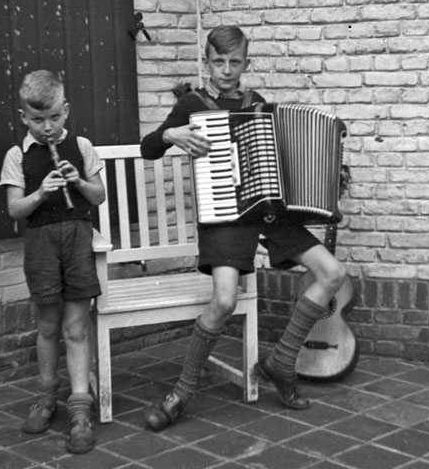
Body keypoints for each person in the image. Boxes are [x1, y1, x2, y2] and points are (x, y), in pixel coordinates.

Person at [139, 25, 349, 431]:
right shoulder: (191, 105)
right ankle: (181, 391)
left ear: (246, 64)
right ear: (207, 62)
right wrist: (170, 134)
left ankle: (281, 360)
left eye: (235, 62)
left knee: (333, 273)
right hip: (226, 215)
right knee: (223, 300)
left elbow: (279, 160)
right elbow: (149, 148)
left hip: (268, 213)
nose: (226, 70)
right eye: (219, 62)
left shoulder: (259, 104)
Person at [0, 69, 106, 453]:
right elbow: (15, 209)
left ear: (67, 110)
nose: (48, 127)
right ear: (24, 117)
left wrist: (77, 182)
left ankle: (80, 408)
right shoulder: (18, 155)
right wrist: (42, 192)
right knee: (47, 325)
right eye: (39, 119)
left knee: (76, 327)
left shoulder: (81, 146)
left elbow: (98, 197)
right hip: (42, 245)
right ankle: (46, 397)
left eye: (56, 117)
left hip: (77, 240)